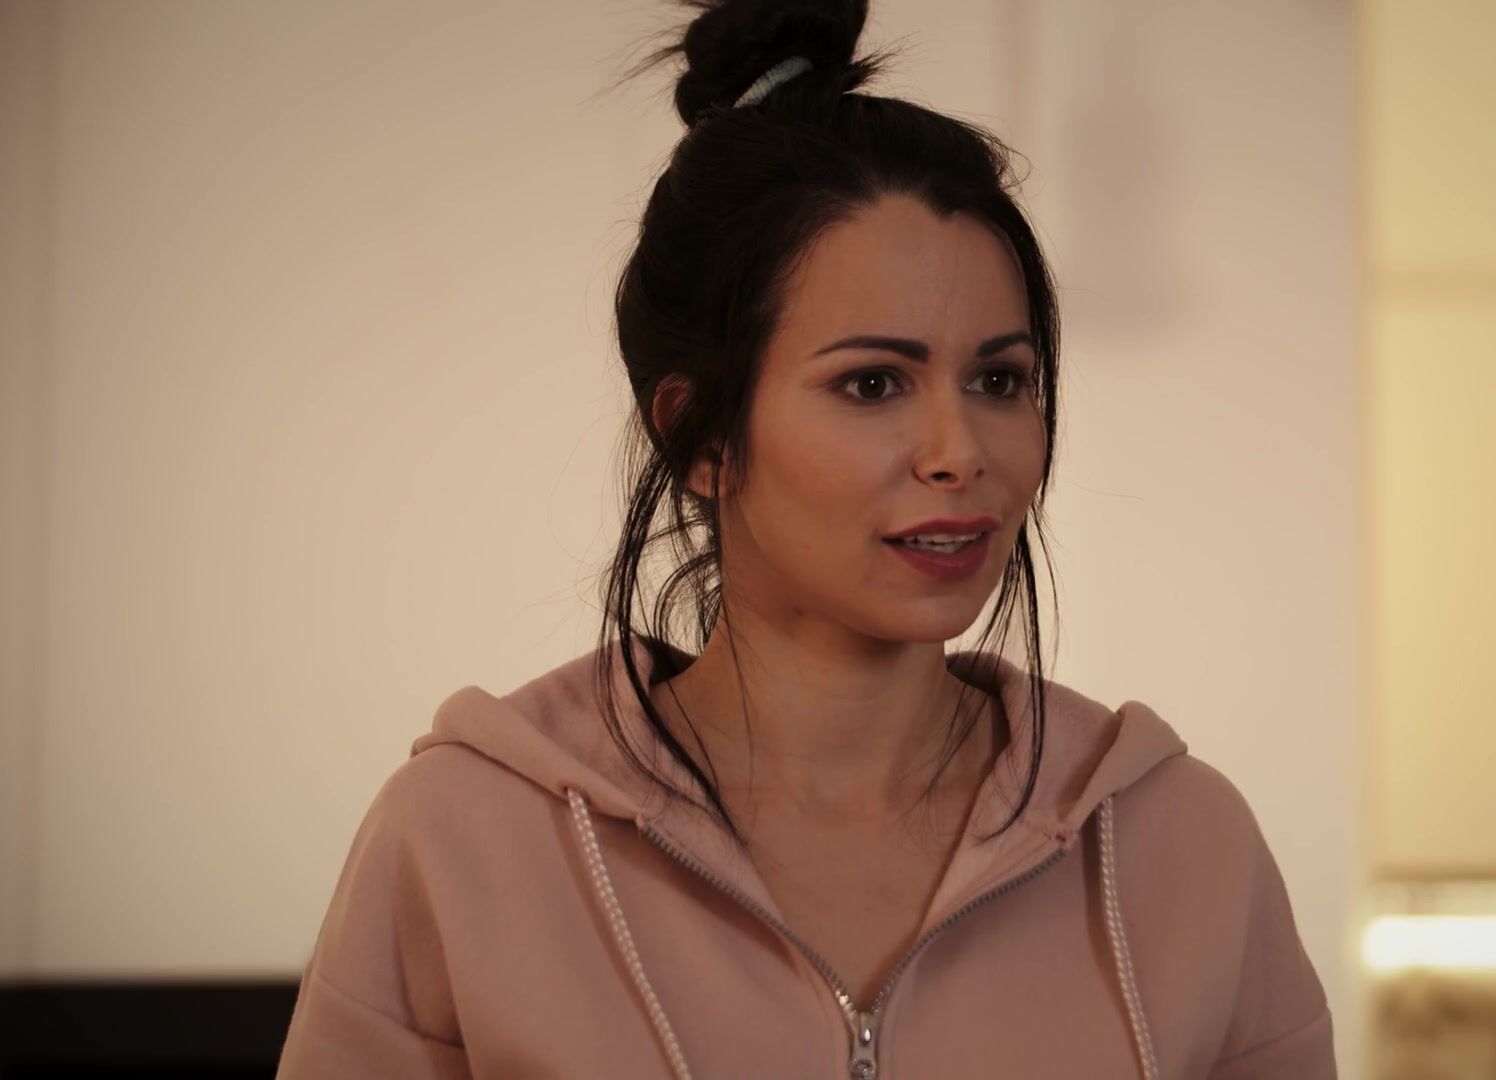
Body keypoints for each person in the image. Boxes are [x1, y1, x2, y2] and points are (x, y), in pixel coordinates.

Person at [275, 1, 1336, 1076]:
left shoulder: (1183, 844)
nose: (959, 452)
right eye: (873, 384)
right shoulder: (463, 838)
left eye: (998, 380)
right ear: (699, 435)